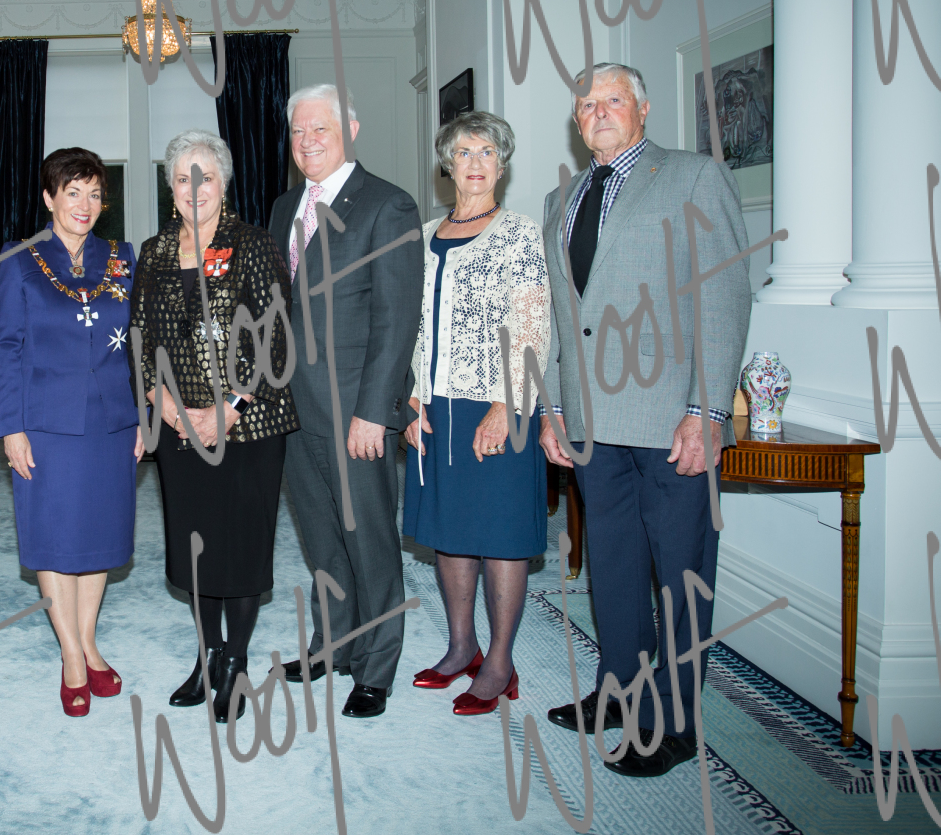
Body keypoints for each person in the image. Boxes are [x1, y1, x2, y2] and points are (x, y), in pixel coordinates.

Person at [538, 63, 751, 777]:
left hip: (669, 418)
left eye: (613, 99)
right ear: (576, 119)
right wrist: (552, 408)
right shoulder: (561, 197)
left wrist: (707, 409)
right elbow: (558, 315)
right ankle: (620, 690)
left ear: (644, 108)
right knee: (614, 565)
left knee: (681, 574)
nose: (598, 112)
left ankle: (676, 723)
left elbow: (723, 295)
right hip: (591, 421)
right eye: (587, 103)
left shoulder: (692, 177)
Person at [266, 84, 423, 719]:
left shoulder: (388, 205)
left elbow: (396, 319)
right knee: (322, 538)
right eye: (298, 130)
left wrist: (375, 412)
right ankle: (334, 643)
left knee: (370, 540)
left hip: (355, 409)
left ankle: (377, 666)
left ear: (350, 129)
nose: (307, 141)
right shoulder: (284, 206)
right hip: (292, 408)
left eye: (321, 129)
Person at [131, 130, 298, 723]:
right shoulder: (153, 251)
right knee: (196, 548)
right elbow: (141, 336)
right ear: (170, 187)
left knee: (241, 546)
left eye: (205, 176)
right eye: (183, 177)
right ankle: (207, 658)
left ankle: (236, 661)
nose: (194, 188)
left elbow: (275, 333)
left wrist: (227, 408)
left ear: (223, 183)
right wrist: (165, 405)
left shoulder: (252, 243)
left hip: (248, 422)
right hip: (179, 426)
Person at [401, 112, 550, 716]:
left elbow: (532, 325)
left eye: (487, 152)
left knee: (501, 535)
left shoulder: (519, 234)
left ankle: (500, 662)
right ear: (447, 164)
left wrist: (506, 407)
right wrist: (411, 398)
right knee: (451, 529)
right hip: (437, 406)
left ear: (502, 164)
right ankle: (462, 646)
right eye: (464, 152)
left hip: (497, 404)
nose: (476, 163)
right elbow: (412, 327)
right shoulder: (423, 236)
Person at [0, 147, 144, 717]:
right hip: (45, 424)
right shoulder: (20, 261)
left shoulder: (123, 258)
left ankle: (88, 641)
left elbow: (139, 344)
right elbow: (6, 347)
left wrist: (140, 416)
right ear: (49, 197)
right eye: (72, 192)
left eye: (95, 193)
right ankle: (73, 657)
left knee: (98, 535)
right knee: (55, 536)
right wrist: (11, 428)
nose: (85, 204)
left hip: (111, 420)